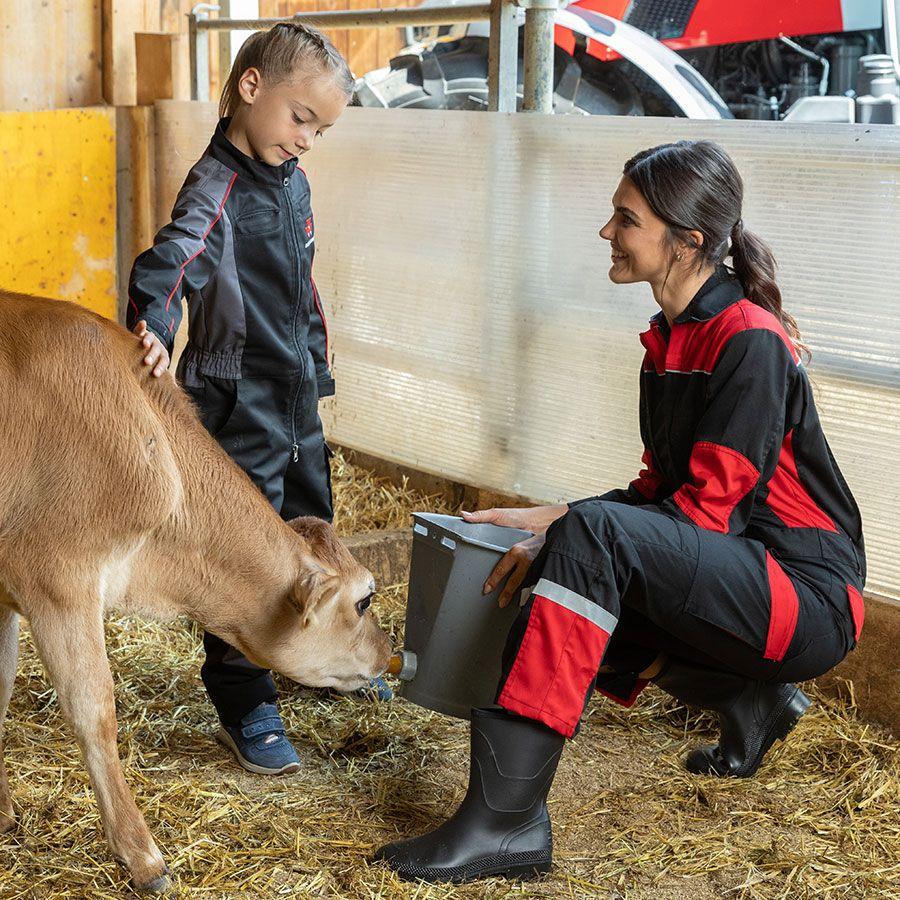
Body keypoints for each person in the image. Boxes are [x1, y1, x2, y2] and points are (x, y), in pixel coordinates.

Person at [375, 140, 866, 882]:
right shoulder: (670, 341)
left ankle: (505, 823)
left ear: (687, 241)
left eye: (625, 218)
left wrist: (573, 533)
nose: (608, 231)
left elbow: (703, 517)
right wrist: (548, 515)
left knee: (586, 552)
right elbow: (657, 497)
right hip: (748, 581)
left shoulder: (749, 342)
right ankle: (746, 699)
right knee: (577, 554)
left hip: (807, 597)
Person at [128, 23, 390, 778]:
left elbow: (302, 281)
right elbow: (170, 263)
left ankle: (329, 648)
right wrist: (152, 328)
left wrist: (318, 360)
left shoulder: (290, 180)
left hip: (296, 395)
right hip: (238, 401)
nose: (308, 139)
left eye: (321, 129)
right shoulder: (216, 186)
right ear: (251, 89)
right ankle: (245, 696)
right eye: (301, 118)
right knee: (252, 558)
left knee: (317, 532)